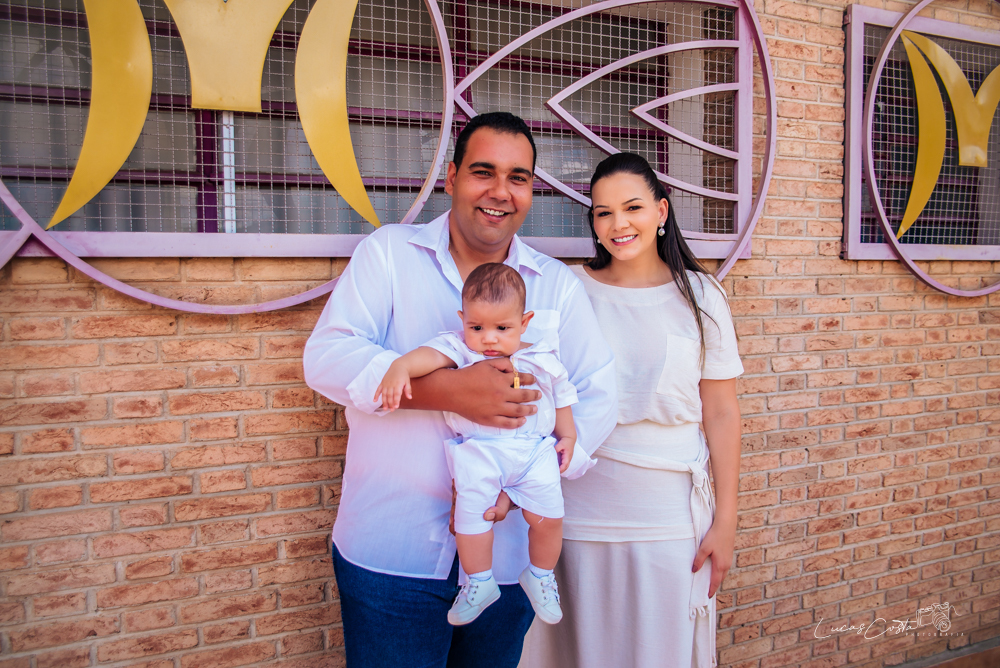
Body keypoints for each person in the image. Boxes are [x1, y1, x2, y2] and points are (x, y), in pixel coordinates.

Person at [303, 112, 617, 667]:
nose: (500, 191)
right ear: (451, 177)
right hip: (392, 553)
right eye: (483, 172)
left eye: (518, 177)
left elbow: (596, 395)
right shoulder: (389, 254)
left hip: (508, 556)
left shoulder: (556, 286)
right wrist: (450, 391)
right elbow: (327, 357)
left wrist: (521, 482)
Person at [520, 152, 743, 668]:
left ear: (661, 211)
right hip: (574, 511)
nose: (618, 224)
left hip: (668, 517)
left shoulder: (702, 295)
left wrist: (727, 519)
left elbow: (722, 413)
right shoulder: (568, 289)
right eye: (603, 213)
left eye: (633, 208)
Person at [375, 262, 592, 627]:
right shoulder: (462, 349)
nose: (488, 339)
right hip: (478, 451)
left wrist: (567, 436)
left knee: (550, 517)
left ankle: (540, 574)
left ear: (524, 323)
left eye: (502, 328)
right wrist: (401, 367)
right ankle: (479, 582)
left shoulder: (541, 356)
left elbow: (562, 395)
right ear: (463, 320)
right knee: (471, 520)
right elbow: (430, 355)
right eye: (477, 327)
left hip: (534, 450)